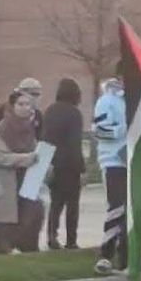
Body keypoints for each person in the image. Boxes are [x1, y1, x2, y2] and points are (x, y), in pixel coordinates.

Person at [0, 92, 41, 254]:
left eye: (28, 104)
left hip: (27, 182)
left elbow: (35, 151)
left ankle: (27, 245)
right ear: (12, 106)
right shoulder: (2, 128)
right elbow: (0, 158)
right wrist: (25, 159)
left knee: (32, 213)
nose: (25, 108)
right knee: (4, 222)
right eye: (21, 104)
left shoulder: (30, 128)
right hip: (6, 183)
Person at [41, 78, 85, 250]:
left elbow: (45, 138)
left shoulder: (50, 111)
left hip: (53, 162)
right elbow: (75, 142)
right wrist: (82, 168)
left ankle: (52, 235)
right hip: (70, 164)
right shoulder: (74, 113)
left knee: (56, 203)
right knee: (72, 204)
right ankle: (71, 240)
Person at [93, 76, 128, 275]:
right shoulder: (107, 100)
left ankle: (127, 256)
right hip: (113, 160)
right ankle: (105, 254)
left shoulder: (137, 100)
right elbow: (99, 130)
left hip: (133, 160)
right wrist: (125, 130)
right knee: (116, 207)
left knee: (132, 209)